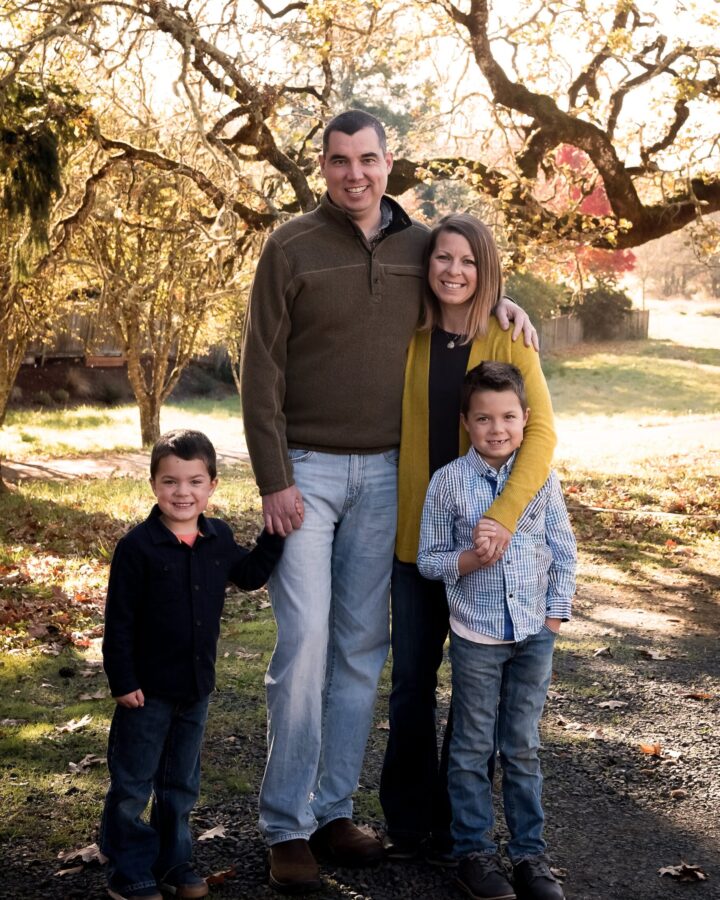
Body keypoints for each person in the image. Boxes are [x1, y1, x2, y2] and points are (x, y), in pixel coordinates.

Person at [240, 110, 535, 894]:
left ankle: (334, 811)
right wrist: (273, 477)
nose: (354, 174)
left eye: (367, 159)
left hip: (386, 475)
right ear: (324, 167)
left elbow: (463, 281)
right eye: (339, 162)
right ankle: (285, 825)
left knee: (359, 650)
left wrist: (510, 306)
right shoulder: (291, 245)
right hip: (305, 473)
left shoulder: (416, 247)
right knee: (302, 646)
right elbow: (259, 366)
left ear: (389, 162)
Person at [380, 214, 557, 864]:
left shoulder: (510, 337)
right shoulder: (410, 333)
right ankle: (408, 822)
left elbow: (540, 435)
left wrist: (502, 517)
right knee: (411, 683)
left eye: (469, 262)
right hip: (419, 544)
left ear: (488, 271)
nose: (454, 271)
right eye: (443, 258)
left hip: (490, 549)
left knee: (475, 691)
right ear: (428, 266)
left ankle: (464, 826)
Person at [100, 429, 283, 900]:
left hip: (195, 686)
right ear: (153, 485)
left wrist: (275, 534)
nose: (182, 492)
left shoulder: (217, 536)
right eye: (170, 482)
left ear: (212, 486)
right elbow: (118, 621)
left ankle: (174, 862)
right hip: (146, 690)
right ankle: (128, 866)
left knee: (180, 782)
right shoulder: (137, 547)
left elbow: (249, 576)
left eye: (194, 482)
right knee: (133, 782)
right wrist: (122, 680)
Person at [417, 362, 576, 900]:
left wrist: (555, 617)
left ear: (526, 419)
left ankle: (530, 855)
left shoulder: (541, 480)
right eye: (483, 418)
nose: (497, 428)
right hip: (477, 635)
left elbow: (563, 549)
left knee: (523, 746)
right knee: (471, 746)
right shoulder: (448, 484)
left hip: (534, 634)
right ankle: (474, 853)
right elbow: (427, 560)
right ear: (466, 422)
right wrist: (467, 560)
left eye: (508, 417)